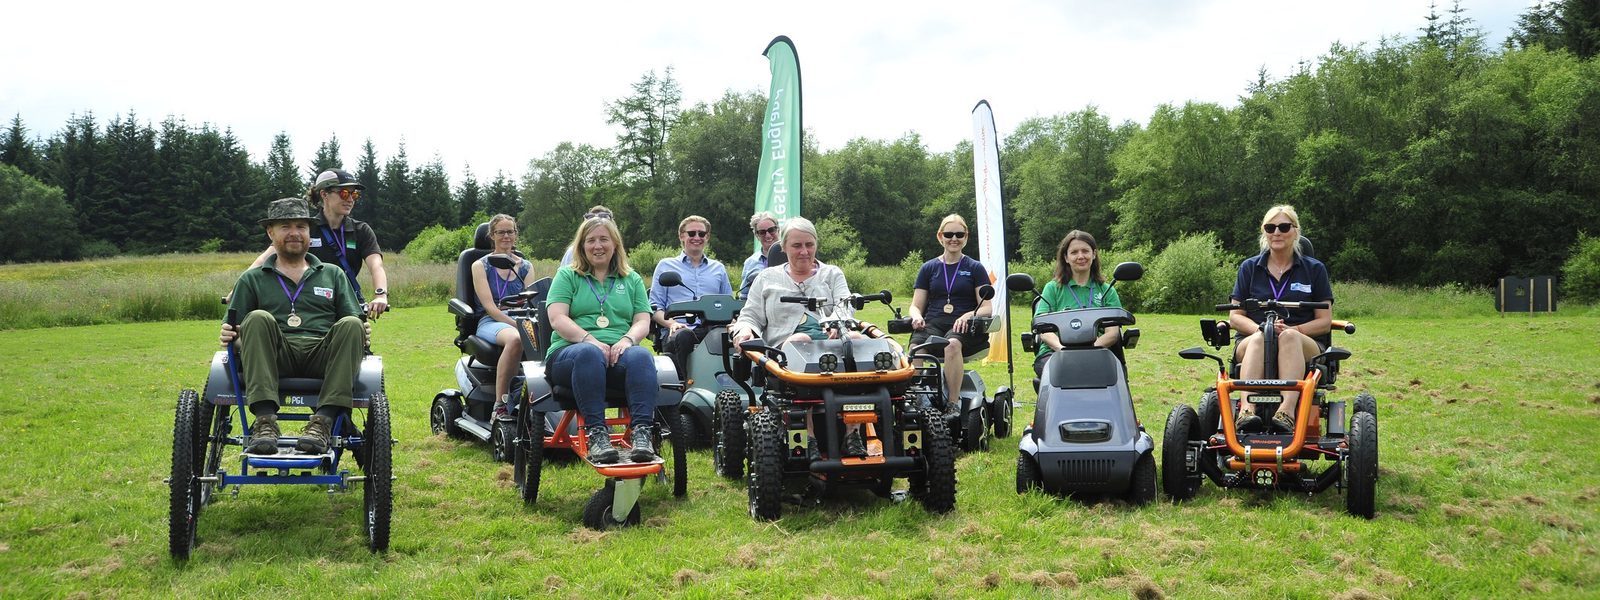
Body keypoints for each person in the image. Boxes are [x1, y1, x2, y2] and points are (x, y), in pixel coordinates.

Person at [220, 198, 367, 455]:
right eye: (285, 226)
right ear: (270, 232)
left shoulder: (333, 274)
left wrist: (361, 332)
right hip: (275, 356)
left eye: (301, 226)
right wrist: (230, 334)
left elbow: (353, 324)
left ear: (309, 232)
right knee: (256, 318)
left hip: (323, 355)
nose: (294, 233)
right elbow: (233, 331)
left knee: (352, 323)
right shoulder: (251, 278)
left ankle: (322, 423)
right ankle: (265, 423)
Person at [730, 217, 869, 456]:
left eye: (809, 245)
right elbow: (750, 316)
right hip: (785, 352)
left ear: (816, 245)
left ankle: (853, 434)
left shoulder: (832, 274)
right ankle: (810, 438)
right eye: (796, 246)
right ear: (783, 247)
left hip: (833, 345)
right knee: (800, 342)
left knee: (859, 341)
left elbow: (846, 305)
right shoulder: (766, 278)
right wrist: (744, 330)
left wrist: (837, 321)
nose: (804, 251)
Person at [546, 216, 659, 465]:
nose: (598, 246)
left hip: (619, 353)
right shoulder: (567, 276)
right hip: (570, 354)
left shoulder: (631, 279)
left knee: (641, 355)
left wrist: (628, 340)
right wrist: (590, 340)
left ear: (615, 244)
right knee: (588, 353)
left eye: (604, 239)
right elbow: (557, 319)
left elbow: (643, 320)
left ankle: (642, 434)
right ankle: (597, 435)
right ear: (582, 246)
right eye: (591, 240)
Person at [1228, 205, 1334, 433]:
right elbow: (1235, 317)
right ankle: (1247, 410)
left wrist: (1294, 329)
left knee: (1288, 338)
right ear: (1264, 232)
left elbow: (1324, 321)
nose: (1277, 232)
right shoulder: (1249, 268)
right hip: (1251, 339)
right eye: (1270, 227)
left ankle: (1286, 411)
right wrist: (1261, 329)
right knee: (1260, 339)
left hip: (1302, 340)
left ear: (1295, 231)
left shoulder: (1315, 269)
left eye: (1284, 227)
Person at [241, 169, 389, 319]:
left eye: (354, 194)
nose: (350, 199)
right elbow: (264, 258)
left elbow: (376, 265)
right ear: (324, 194)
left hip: (348, 302)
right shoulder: (306, 228)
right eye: (344, 193)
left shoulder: (361, 230)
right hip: (315, 305)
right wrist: (239, 289)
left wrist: (380, 295)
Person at [908, 214, 992, 408]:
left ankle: (952, 403)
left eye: (959, 234)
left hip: (963, 324)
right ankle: (915, 399)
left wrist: (969, 314)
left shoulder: (975, 268)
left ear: (966, 237)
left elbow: (987, 307)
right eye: (949, 234)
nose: (954, 238)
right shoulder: (928, 268)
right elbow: (915, 305)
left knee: (952, 344)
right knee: (915, 349)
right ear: (940, 236)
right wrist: (917, 316)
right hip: (934, 322)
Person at [470, 213, 539, 420]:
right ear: (492, 235)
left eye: (510, 232)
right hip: (492, 321)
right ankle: (500, 404)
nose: (506, 236)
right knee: (516, 338)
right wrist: (517, 325)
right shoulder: (480, 266)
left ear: (516, 235)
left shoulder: (525, 267)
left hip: (520, 318)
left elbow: (531, 301)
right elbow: (490, 307)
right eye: (501, 232)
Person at [648, 215, 733, 380]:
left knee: (728, 337)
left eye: (701, 234)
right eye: (691, 233)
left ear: (707, 237)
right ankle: (686, 385)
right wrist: (672, 323)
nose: (697, 238)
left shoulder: (718, 269)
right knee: (684, 335)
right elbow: (654, 307)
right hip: (678, 330)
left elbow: (728, 306)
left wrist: (733, 323)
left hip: (712, 329)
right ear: (681, 236)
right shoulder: (666, 266)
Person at [1032, 230, 1122, 378]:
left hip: (1098, 351)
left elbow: (1112, 333)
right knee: (1064, 372)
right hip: (1055, 352)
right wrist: (1064, 351)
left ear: (1093, 254)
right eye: (1074, 252)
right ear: (1066, 258)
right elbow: (1044, 331)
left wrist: (1088, 353)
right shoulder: (1052, 288)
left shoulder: (1107, 291)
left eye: (1085, 251)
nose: (1080, 256)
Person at [738, 211, 780, 299]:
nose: (768, 235)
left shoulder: (792, 257)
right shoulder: (750, 263)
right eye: (762, 232)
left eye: (771, 230)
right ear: (756, 235)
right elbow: (744, 296)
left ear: (778, 230)